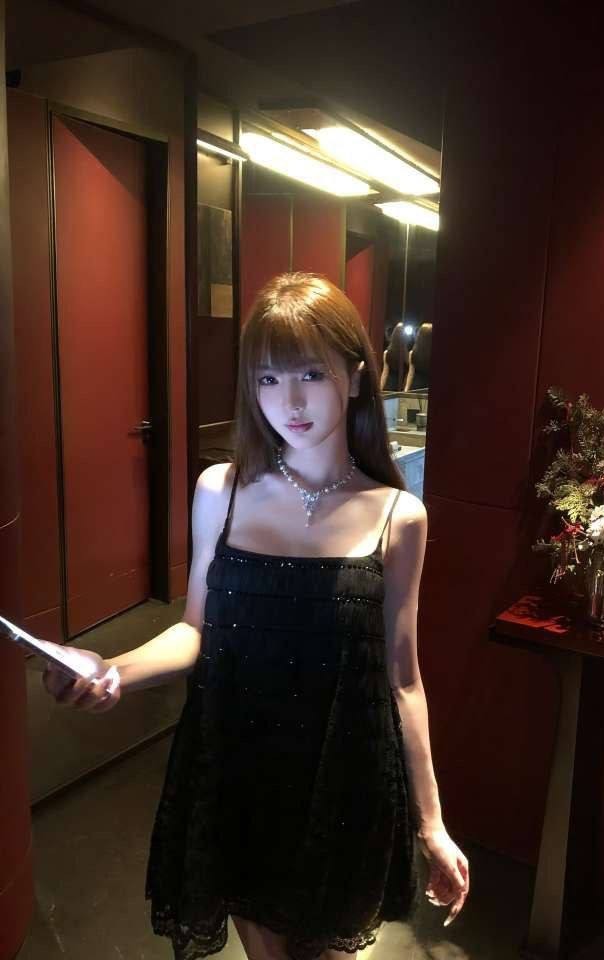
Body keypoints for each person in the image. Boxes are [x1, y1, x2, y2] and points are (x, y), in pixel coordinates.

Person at [42, 273, 469, 960]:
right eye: (268, 379)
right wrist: (111, 669)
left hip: (343, 775)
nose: (289, 401)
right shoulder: (222, 490)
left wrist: (432, 824)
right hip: (237, 766)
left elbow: (403, 679)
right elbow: (194, 631)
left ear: (356, 377)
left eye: (310, 374)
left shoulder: (399, 515)